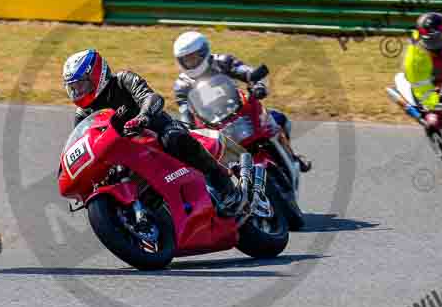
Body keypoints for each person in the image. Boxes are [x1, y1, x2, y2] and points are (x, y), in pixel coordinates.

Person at [63, 49, 243, 216]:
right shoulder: (82, 115)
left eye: (81, 85)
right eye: (73, 88)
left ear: (96, 75)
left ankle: (225, 188)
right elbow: (84, 143)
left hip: (155, 130)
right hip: (124, 153)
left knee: (174, 138)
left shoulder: (123, 80)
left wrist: (143, 117)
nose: (77, 92)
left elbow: (150, 97)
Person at [171, 31, 311, 172]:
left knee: (280, 119)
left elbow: (246, 71)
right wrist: (187, 127)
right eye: (186, 60)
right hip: (212, 124)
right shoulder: (182, 85)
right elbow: (185, 110)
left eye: (194, 57)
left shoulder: (222, 62)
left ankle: (292, 156)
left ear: (204, 53)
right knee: (204, 161)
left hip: (240, 110)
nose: (191, 62)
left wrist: (258, 85)